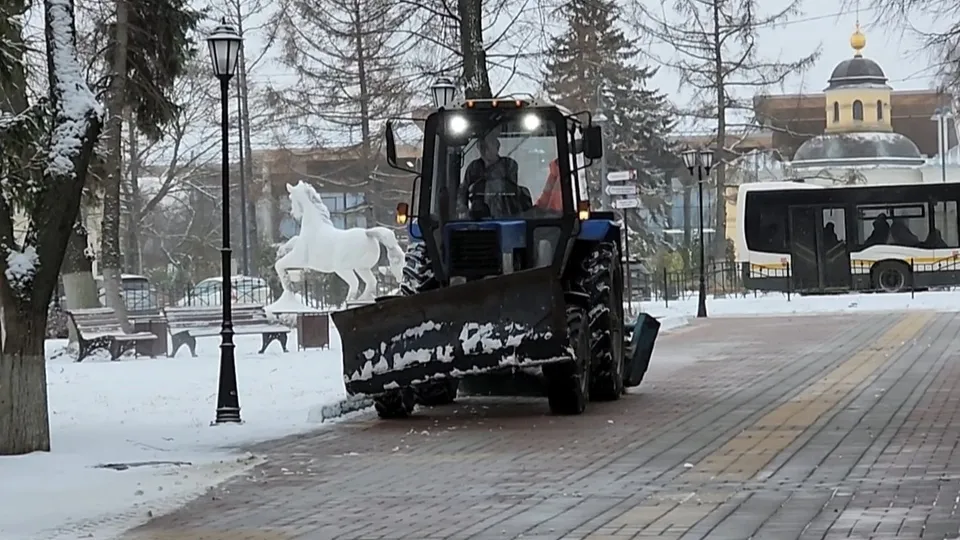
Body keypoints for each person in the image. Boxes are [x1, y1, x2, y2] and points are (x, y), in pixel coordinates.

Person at [459, 134, 530, 217]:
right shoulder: (473, 167)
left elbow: (510, 188)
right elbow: (463, 191)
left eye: (487, 146)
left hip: (506, 214)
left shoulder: (508, 165)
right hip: (479, 218)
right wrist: (463, 209)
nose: (484, 150)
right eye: (481, 146)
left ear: (497, 147)